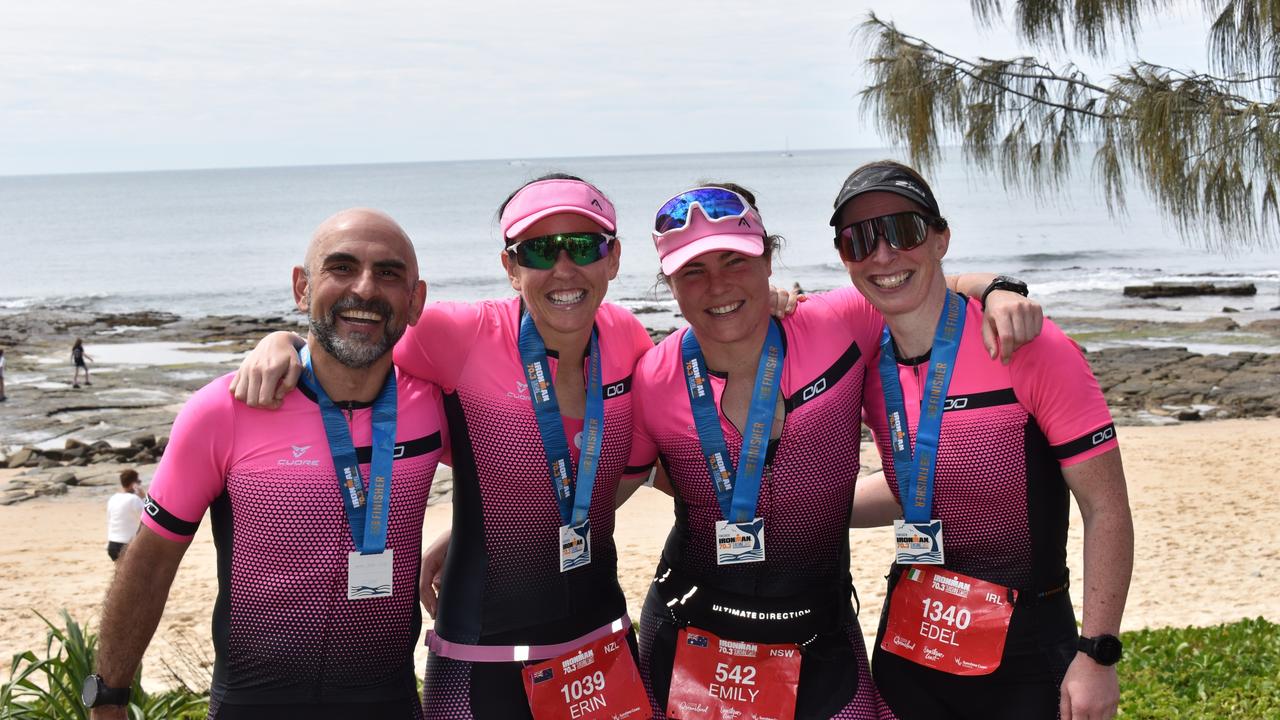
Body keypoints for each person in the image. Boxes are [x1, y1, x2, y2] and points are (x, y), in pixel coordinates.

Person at [233, 175, 658, 719]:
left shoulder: (627, 338)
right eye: (536, 250)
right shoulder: (455, 334)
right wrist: (281, 342)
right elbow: (355, 339)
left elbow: (613, 475)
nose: (563, 268)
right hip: (481, 663)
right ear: (510, 268)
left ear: (613, 257)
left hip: (604, 645)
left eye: (582, 245)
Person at [624, 184, 1044, 720]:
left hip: (821, 639)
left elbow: (926, 289)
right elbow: (633, 472)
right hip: (691, 636)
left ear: (768, 260)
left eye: (736, 261)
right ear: (671, 286)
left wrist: (999, 289)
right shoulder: (653, 377)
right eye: (693, 272)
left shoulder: (837, 323)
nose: (718, 285)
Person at [88, 209, 448, 720]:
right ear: (302, 288)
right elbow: (150, 563)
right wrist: (109, 696)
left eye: (388, 273)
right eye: (341, 268)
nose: (365, 289)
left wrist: (461, 536)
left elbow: (526, 470)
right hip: (253, 704)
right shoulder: (226, 409)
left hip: (389, 703)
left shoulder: (433, 406)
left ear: (415, 302)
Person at [836, 161, 1135, 720]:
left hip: (1025, 653)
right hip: (910, 644)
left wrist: (1097, 654)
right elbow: (919, 483)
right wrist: (809, 510)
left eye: (902, 230)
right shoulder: (866, 351)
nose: (882, 255)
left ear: (941, 237)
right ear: (844, 256)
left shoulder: (1026, 345)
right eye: (859, 239)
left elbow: (1106, 507)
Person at [105, 469, 145, 561]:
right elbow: (148, 517)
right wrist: (143, 498)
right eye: (138, 481)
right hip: (127, 545)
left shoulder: (113, 498)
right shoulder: (134, 499)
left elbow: (109, 519)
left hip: (112, 544)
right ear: (133, 484)